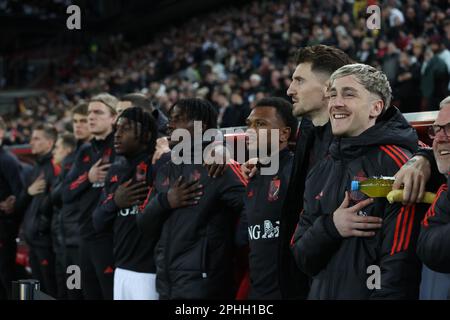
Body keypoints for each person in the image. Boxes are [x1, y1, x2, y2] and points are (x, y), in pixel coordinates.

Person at [291, 64, 423, 299]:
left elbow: (399, 266)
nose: (336, 103)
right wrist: (332, 227)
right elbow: (301, 258)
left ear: (376, 107)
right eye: (332, 94)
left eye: (348, 94)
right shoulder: (321, 168)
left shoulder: (399, 165)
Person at [137, 98, 247, 299]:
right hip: (166, 281)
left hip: (205, 285)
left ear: (200, 126)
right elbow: (144, 224)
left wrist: (229, 248)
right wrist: (165, 202)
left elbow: (252, 208)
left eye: (178, 119)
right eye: (170, 119)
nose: (169, 125)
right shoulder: (165, 169)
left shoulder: (219, 166)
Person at [92, 107, 160, 300]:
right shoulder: (115, 172)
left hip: (150, 273)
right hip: (121, 269)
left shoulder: (158, 166)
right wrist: (115, 201)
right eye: (117, 129)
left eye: (125, 129)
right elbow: (97, 222)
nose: (117, 135)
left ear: (146, 135)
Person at [237, 97, 297, 299]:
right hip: (258, 290)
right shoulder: (254, 174)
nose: (250, 132)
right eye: (249, 125)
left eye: (260, 124)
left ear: (284, 133)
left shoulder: (298, 172)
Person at [62, 93, 118, 300]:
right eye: (89, 113)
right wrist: (89, 176)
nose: (90, 118)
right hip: (83, 237)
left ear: (113, 118)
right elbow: (66, 193)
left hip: (109, 238)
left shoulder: (120, 147)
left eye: (97, 112)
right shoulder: (85, 150)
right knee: (86, 294)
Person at [16, 123, 60, 297]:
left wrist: (43, 230)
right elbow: (20, 204)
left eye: (36, 138)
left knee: (52, 290)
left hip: (46, 243)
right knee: (38, 290)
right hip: (33, 240)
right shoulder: (36, 168)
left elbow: (56, 206)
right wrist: (28, 192)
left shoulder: (54, 168)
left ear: (49, 143)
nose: (31, 142)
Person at [416, 96, 450, 299]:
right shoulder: (445, 189)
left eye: (449, 128)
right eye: (436, 129)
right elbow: (428, 247)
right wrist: (422, 157)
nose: (440, 138)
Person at [58, 102, 91, 300]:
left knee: (83, 293)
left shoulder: (95, 155)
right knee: (72, 292)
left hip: (82, 239)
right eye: (75, 121)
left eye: (83, 121)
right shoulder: (70, 158)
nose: (78, 126)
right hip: (67, 239)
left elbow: (62, 192)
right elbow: (62, 193)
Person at [0, 117, 25, 300]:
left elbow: (20, 195)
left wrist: (12, 205)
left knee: (6, 274)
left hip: (4, 229)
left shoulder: (8, 160)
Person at [50, 132, 77, 299]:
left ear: (67, 151)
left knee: (73, 291)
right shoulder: (62, 173)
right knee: (63, 291)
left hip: (73, 245)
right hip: (61, 243)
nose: (54, 151)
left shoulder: (72, 172)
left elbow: (55, 198)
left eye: (57, 147)